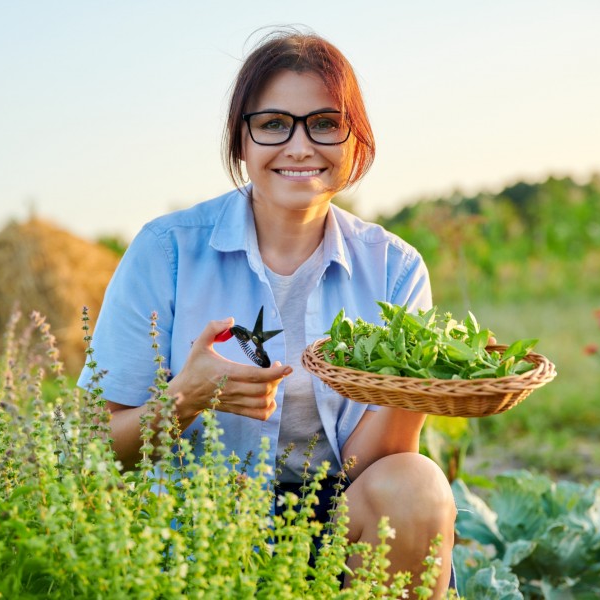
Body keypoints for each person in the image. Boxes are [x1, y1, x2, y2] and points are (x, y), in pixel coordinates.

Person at [78, 28, 457, 597]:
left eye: (325, 123)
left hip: (338, 518)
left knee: (417, 484)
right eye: (274, 123)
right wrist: (185, 398)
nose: (300, 146)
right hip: (200, 524)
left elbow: (370, 466)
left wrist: (411, 387)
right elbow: (94, 446)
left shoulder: (394, 271)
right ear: (241, 142)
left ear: (357, 143)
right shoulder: (167, 251)